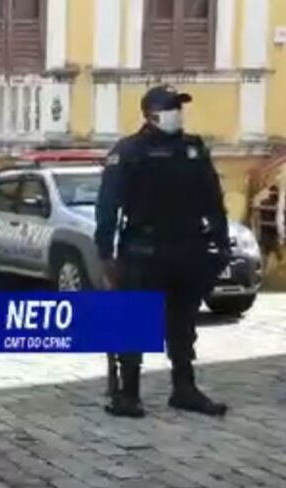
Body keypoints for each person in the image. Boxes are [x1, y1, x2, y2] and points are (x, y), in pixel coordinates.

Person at [95, 84, 229, 419]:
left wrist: (221, 241)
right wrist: (105, 252)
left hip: (188, 247)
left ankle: (184, 388)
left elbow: (213, 199)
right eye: (170, 107)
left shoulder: (193, 149)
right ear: (150, 114)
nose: (177, 113)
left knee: (183, 322)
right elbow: (108, 206)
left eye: (178, 107)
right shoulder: (129, 151)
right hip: (144, 249)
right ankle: (128, 395)